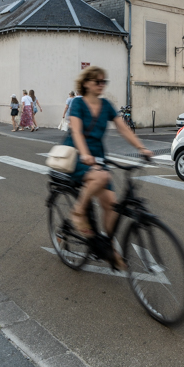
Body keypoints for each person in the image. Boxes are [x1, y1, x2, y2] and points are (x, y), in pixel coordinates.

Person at [64, 66, 152, 270]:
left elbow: (123, 128)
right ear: (86, 83)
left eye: (104, 82)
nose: (101, 85)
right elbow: (76, 131)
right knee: (102, 178)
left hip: (98, 160)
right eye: (97, 81)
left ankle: (107, 247)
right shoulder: (78, 103)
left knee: (111, 205)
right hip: (78, 155)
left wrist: (142, 148)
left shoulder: (106, 105)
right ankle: (78, 213)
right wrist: (85, 154)